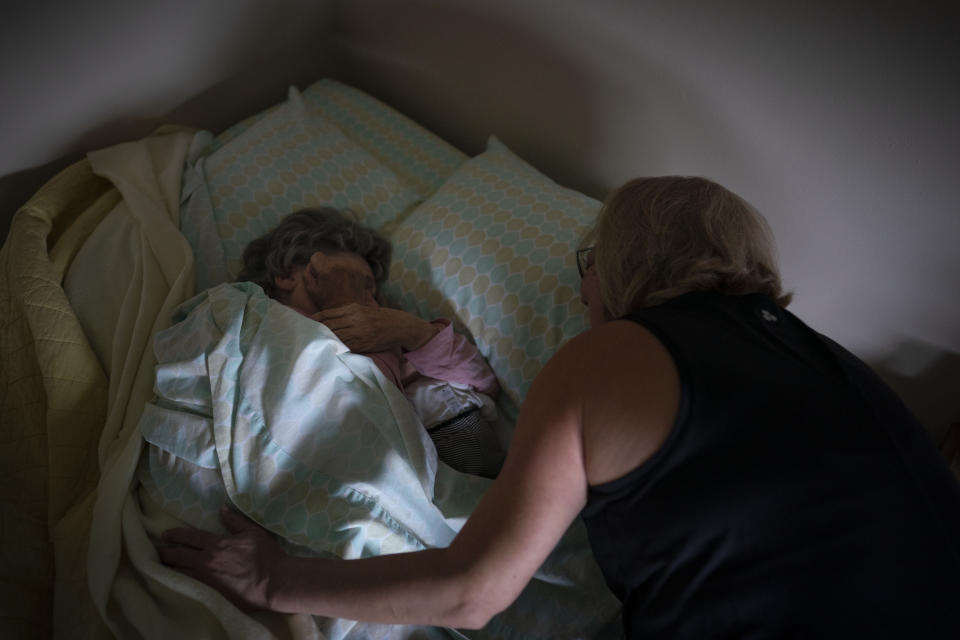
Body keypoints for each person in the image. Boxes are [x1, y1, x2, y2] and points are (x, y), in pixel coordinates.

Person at [158, 178, 960, 637]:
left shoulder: (611, 356)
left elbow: (475, 590)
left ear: (622, 265)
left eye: (589, 263)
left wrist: (275, 582)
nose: (580, 292)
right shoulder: (829, 358)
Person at [237, 207, 505, 477]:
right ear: (285, 275)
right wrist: (344, 303)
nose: (366, 300)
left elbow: (482, 381)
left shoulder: (388, 343)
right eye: (352, 281)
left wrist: (412, 331)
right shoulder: (249, 316)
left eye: (371, 291)